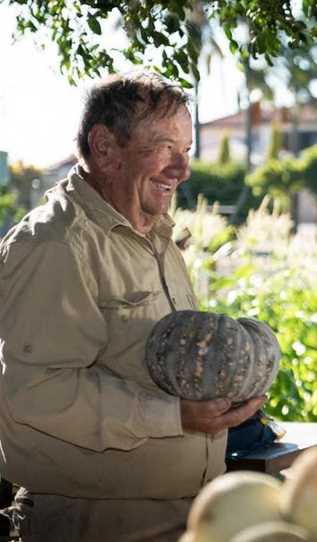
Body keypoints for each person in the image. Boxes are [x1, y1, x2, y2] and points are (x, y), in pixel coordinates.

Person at [0, 72, 263, 541]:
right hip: (99, 523)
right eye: (164, 148)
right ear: (104, 148)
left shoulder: (156, 236)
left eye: (186, 151)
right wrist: (174, 416)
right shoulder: (57, 244)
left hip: (183, 514)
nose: (181, 170)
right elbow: (35, 393)